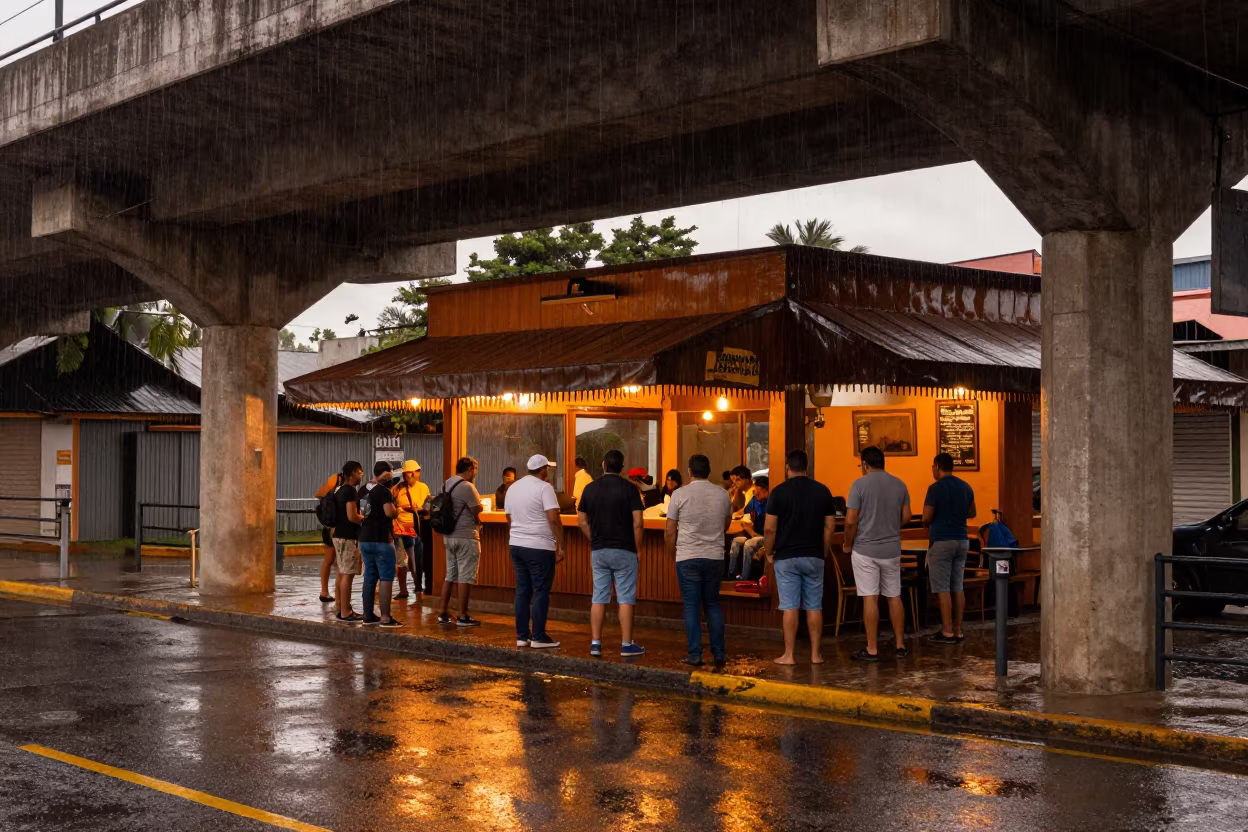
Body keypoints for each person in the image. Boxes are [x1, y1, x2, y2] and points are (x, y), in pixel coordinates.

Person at [764, 449, 835, 665]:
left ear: (788, 468)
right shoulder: (822, 491)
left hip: (786, 557)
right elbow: (829, 527)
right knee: (814, 606)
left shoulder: (778, 492)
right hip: (814, 555)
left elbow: (769, 529)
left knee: (790, 606)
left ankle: (789, 655)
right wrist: (822, 551)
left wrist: (768, 552)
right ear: (807, 467)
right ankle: (815, 655)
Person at [844, 445, 912, 662]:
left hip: (865, 550)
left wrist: (848, 543)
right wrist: (891, 526)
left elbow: (850, 520)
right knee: (894, 595)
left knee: (870, 598)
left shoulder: (859, 485)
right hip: (892, 549)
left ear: (864, 464)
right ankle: (900, 645)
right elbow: (908, 517)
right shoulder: (900, 484)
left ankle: (872, 648)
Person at [577, 449, 646, 657]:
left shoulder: (589, 488)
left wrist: (594, 538)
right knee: (625, 597)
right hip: (625, 550)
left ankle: (596, 643)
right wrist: (639, 549)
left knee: (599, 596)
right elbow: (638, 523)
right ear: (622, 468)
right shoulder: (631, 489)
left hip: (599, 550)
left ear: (603, 464)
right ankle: (626, 645)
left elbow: (581, 520)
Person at [666, 454, 732, 666]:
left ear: (689, 472)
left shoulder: (679, 494)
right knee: (713, 604)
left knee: (692, 606)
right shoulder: (723, 494)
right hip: (715, 556)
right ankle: (719, 653)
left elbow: (669, 531)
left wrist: (673, 553)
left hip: (687, 557)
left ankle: (695, 655)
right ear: (709, 471)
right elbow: (727, 522)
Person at [506, 454, 565, 649]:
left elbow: (509, 517)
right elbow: (554, 519)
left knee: (522, 590)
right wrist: (561, 545)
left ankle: (522, 636)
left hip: (516, 545)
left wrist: (518, 534)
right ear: (543, 470)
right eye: (547, 468)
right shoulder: (544, 487)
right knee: (540, 590)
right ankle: (538, 636)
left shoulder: (513, 487)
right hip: (539, 547)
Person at [923, 452, 977, 643]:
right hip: (962, 540)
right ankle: (958, 629)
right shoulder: (965, 486)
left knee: (942, 588)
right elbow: (972, 512)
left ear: (937, 467)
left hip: (942, 541)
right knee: (957, 586)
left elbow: (926, 517)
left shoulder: (935, 488)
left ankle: (946, 631)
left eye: (932, 467)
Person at [439, 456, 484, 627]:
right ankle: (462, 615)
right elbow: (476, 509)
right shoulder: (467, 486)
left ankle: (443, 613)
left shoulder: (446, 483)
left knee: (450, 575)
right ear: (470, 469)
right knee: (465, 576)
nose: (475, 474)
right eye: (475, 471)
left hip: (449, 536)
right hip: (466, 536)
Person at [359, 461, 402, 627]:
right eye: (390, 473)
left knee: (370, 577)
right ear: (386, 474)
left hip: (365, 539)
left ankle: (368, 616)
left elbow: (361, 512)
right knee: (385, 577)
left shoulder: (363, 489)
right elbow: (389, 512)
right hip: (382, 540)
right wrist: (396, 509)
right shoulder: (384, 491)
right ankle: (385, 617)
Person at [330, 461, 365, 623]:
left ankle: (341, 607)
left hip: (337, 535)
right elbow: (352, 516)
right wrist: (363, 518)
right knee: (348, 575)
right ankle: (345, 612)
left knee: (341, 572)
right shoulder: (350, 491)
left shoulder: (338, 489)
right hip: (347, 536)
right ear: (353, 474)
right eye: (360, 472)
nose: (361, 476)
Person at [391, 459, 430, 603]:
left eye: (411, 474)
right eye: (406, 474)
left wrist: (419, 509)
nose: (408, 477)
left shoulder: (424, 488)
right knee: (401, 562)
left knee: (416, 560)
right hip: (400, 529)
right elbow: (391, 505)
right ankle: (403, 590)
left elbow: (427, 505)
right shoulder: (397, 488)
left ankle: (418, 587)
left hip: (416, 528)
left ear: (417, 473)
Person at [728, 475, 769, 580]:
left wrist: (751, 532)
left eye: (757, 490)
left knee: (748, 544)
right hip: (755, 534)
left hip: (764, 537)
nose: (755, 493)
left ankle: (744, 579)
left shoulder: (770, 502)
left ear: (763, 490)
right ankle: (731, 576)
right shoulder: (755, 500)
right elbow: (745, 510)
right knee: (736, 541)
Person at [313, 471, 343, 603]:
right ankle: (329, 592)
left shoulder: (338, 481)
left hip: (331, 526)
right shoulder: (336, 479)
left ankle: (328, 592)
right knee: (335, 561)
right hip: (334, 526)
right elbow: (319, 493)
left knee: (331, 560)